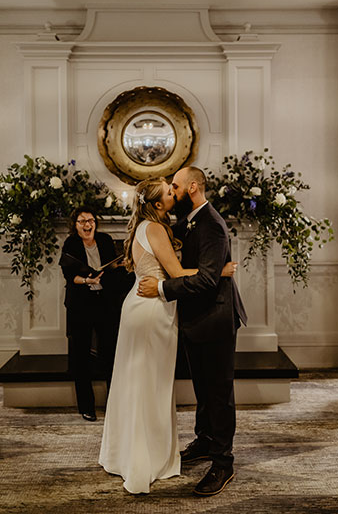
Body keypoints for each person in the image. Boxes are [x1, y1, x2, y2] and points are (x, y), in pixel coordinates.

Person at [98, 177, 236, 494]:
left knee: (137, 382)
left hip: (144, 305)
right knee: (149, 385)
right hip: (152, 309)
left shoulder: (149, 224)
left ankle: (128, 452)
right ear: (158, 204)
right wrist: (218, 271)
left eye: (173, 185)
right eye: (167, 189)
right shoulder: (155, 228)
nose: (172, 191)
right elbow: (175, 273)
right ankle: (144, 458)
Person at [138, 166, 247, 497]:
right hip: (195, 318)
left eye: (175, 186)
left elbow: (206, 280)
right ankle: (204, 439)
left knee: (218, 392)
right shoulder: (187, 220)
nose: (172, 191)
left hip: (215, 317)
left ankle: (223, 462)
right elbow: (202, 268)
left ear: (193, 187)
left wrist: (160, 287)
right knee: (202, 386)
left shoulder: (212, 225)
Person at [60, 206, 131, 422]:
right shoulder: (71, 244)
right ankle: (87, 407)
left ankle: (114, 405)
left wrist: (123, 266)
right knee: (81, 357)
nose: (87, 225)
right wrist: (87, 280)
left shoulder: (105, 240)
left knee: (109, 354)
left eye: (90, 220)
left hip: (104, 304)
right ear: (75, 225)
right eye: (82, 221)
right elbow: (69, 275)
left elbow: (114, 270)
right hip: (80, 304)